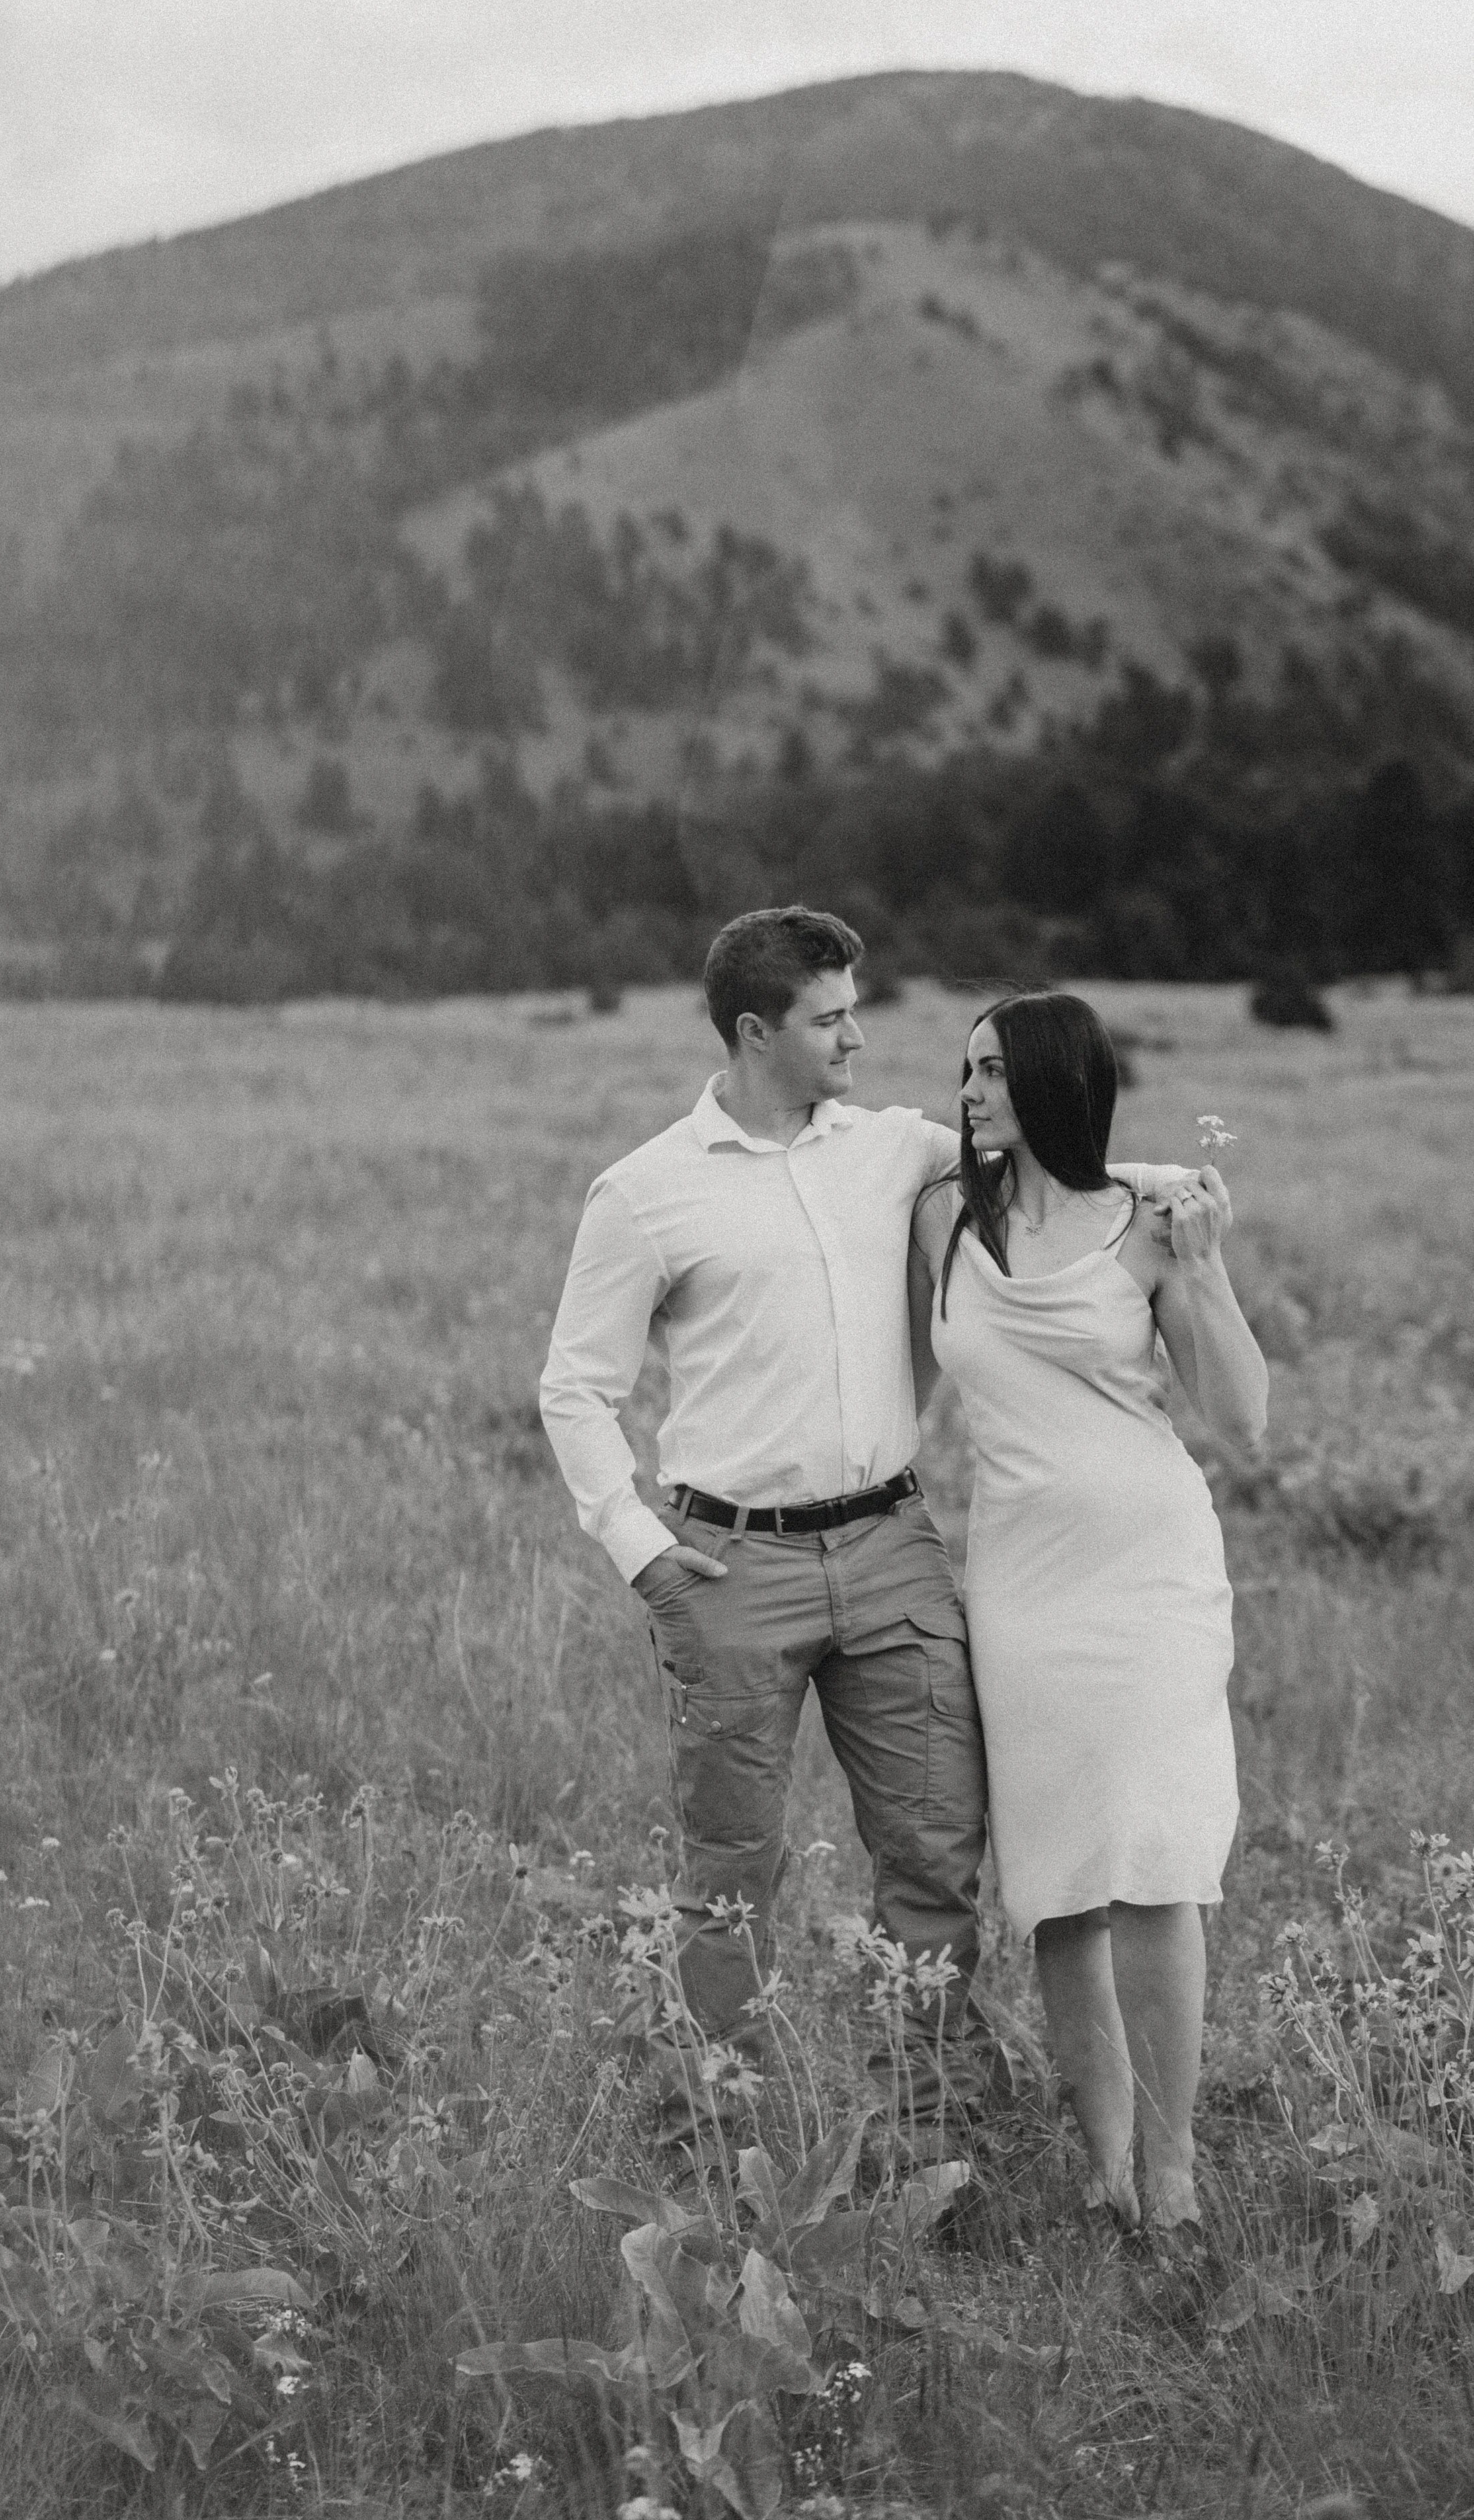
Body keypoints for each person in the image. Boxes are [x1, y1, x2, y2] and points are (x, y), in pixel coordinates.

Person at [539, 908, 1184, 2157]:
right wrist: (641, 1548)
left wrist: (1178, 1187)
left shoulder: (895, 1149)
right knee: (731, 1871)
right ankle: (712, 2132)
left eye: (855, 1008)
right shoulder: (644, 1190)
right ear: (754, 1031)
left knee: (935, 1855)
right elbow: (575, 1386)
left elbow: (1053, 1168)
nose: (859, 1035)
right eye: (831, 1017)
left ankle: (930, 2128)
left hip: (892, 1547)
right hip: (729, 1564)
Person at [913, 991, 1267, 2242]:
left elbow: (1244, 1417)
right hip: (1019, 1582)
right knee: (1061, 1883)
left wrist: (1207, 1265)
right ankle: (1105, 2162)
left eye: (995, 1072)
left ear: (1055, 1080)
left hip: (1148, 1570)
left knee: (1156, 1866)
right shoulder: (943, 1215)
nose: (971, 1094)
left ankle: (1173, 2166)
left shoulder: (1151, 1229)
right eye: (965, 1072)